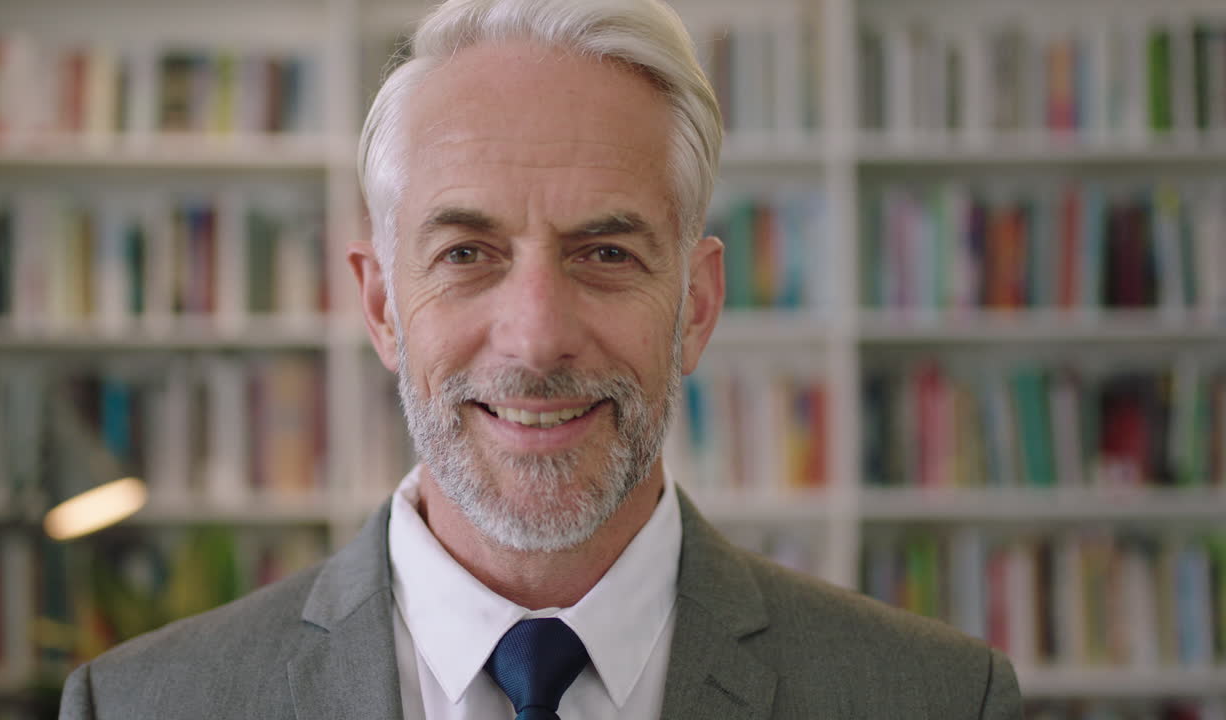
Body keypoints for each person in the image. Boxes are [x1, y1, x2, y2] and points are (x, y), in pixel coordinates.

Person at [59, 0, 1023, 718]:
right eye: (466, 254)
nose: (535, 336)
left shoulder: (936, 699)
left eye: (605, 253)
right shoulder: (144, 704)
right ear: (383, 304)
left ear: (695, 305)